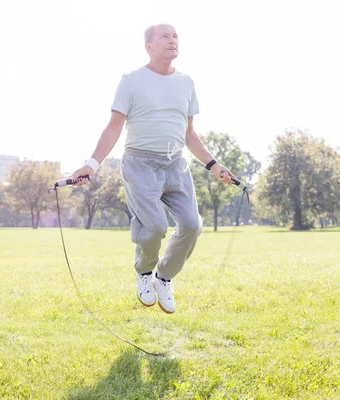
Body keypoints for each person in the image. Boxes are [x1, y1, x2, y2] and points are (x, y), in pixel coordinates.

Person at [71, 23, 234, 314]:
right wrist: (91, 164)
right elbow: (113, 128)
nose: (172, 40)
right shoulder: (132, 81)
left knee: (193, 225)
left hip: (176, 164)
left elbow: (189, 134)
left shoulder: (186, 83)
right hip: (140, 163)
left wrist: (213, 165)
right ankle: (144, 272)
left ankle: (164, 276)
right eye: (165, 36)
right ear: (148, 46)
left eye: (175, 36)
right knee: (155, 227)